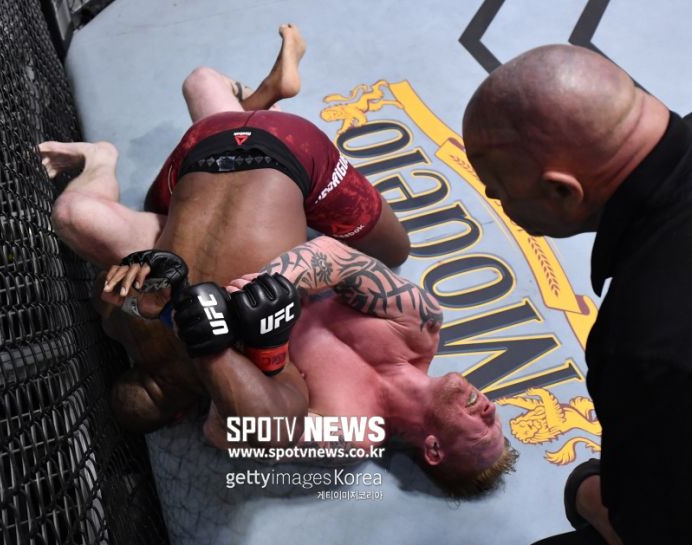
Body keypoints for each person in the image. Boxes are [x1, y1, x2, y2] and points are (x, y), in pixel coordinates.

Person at [40, 24, 513, 494]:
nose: (491, 410)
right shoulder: (422, 322)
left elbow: (224, 431)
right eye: (497, 421)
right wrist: (272, 288)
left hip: (209, 246)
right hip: (292, 171)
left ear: (434, 450)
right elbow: (331, 254)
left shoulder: (348, 435)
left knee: (75, 215)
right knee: (394, 249)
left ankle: (102, 159)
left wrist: (238, 342)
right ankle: (262, 101)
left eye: (484, 433)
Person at [462, 43, 692, 543]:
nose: (497, 201)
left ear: (563, 191)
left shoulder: (646, 347)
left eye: (499, 191)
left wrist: (590, 491)